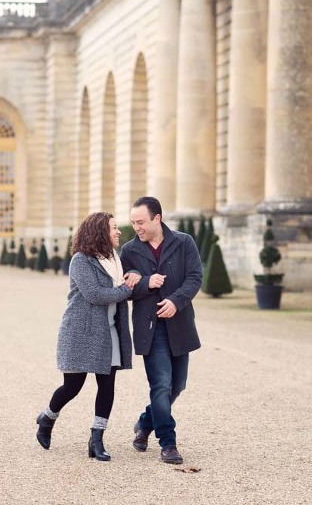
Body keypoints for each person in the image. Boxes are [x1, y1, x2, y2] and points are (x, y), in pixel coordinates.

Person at [35, 212, 138, 461]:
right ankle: (47, 418)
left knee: (107, 385)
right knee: (73, 386)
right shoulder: (80, 260)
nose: (118, 232)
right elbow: (95, 295)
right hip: (80, 331)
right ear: (100, 231)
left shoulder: (116, 258)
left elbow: (123, 290)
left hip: (110, 330)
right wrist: (126, 288)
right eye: (114, 228)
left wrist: (134, 278)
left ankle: (97, 438)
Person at [120, 196, 202, 465]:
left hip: (179, 325)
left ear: (158, 218)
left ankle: (145, 423)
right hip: (150, 329)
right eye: (133, 223)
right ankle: (168, 443)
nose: (137, 228)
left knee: (177, 385)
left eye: (141, 222)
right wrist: (147, 282)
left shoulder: (184, 242)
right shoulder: (129, 251)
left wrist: (176, 302)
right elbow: (125, 290)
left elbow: (194, 277)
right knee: (161, 385)